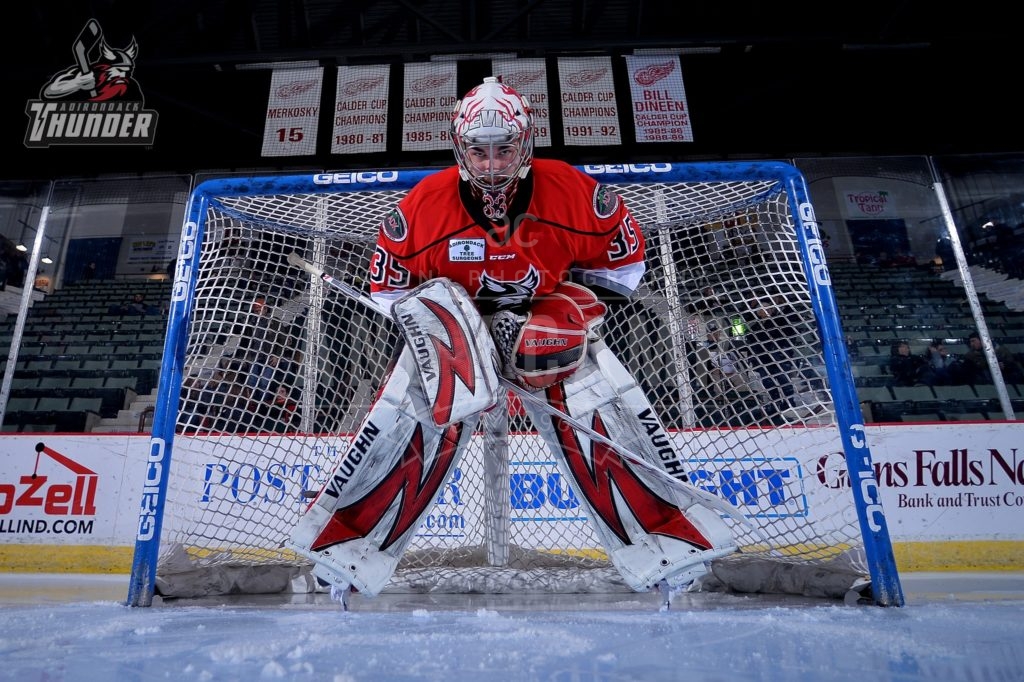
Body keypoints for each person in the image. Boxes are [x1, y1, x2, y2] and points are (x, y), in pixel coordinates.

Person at [289, 76, 736, 601]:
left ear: (526, 143)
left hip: (543, 328)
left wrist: (576, 310)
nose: (493, 164)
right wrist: (443, 324)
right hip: (456, 338)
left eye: (505, 150)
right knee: (411, 418)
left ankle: (669, 546)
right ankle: (345, 552)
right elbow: (389, 291)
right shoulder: (421, 207)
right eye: (479, 151)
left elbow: (625, 263)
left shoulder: (571, 190)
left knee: (598, 405)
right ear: (460, 147)